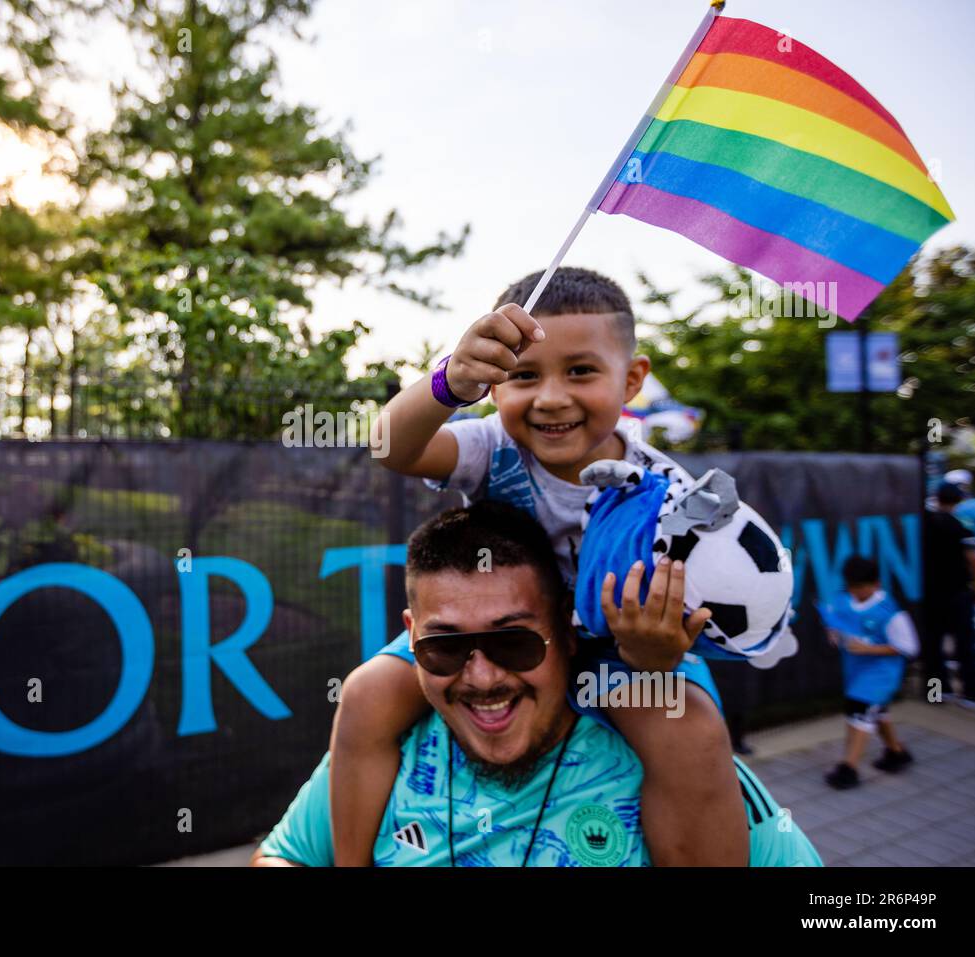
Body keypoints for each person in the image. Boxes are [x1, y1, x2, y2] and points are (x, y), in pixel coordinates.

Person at [330, 267, 794, 867]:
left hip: (612, 652)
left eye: (580, 370)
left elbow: (678, 619)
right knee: (367, 692)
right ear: (496, 387)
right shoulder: (490, 446)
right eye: (524, 374)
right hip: (495, 636)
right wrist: (449, 381)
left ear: (631, 381)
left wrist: (654, 657)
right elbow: (390, 447)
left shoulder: (669, 498)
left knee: (690, 730)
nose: (551, 397)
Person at [252, 502, 821, 867]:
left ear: (568, 634)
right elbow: (283, 857)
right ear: (410, 637)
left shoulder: (682, 762)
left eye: (514, 643)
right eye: (444, 647)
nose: (482, 677)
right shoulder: (380, 743)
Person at [818, 556, 920, 790]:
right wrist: (833, 632)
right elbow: (834, 620)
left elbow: (909, 647)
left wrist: (869, 649)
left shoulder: (891, 612)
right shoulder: (842, 600)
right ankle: (896, 752)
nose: (856, 592)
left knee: (858, 712)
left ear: (876, 584)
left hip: (881, 674)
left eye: (861, 587)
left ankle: (849, 768)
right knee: (877, 711)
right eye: (852, 587)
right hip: (855, 671)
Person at [921, 482, 975, 710]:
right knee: (965, 644)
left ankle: (937, 692)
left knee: (934, 644)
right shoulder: (961, 526)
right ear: (958, 500)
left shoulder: (925, 524)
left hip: (931, 594)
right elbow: (973, 559)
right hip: (957, 592)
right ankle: (972, 693)